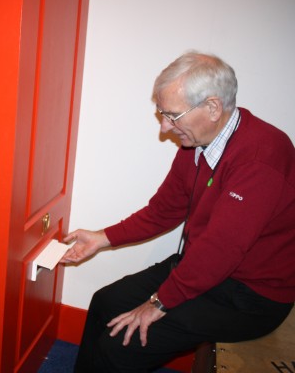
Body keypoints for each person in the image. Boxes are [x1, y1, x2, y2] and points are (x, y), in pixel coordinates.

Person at [61, 52, 295, 372]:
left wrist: (159, 302)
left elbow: (221, 249)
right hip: (203, 269)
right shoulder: (196, 143)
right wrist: (102, 238)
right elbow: (164, 210)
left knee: (120, 345)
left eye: (172, 115)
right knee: (106, 303)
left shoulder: (262, 156)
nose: (164, 127)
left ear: (212, 107)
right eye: (161, 113)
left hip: (251, 296)